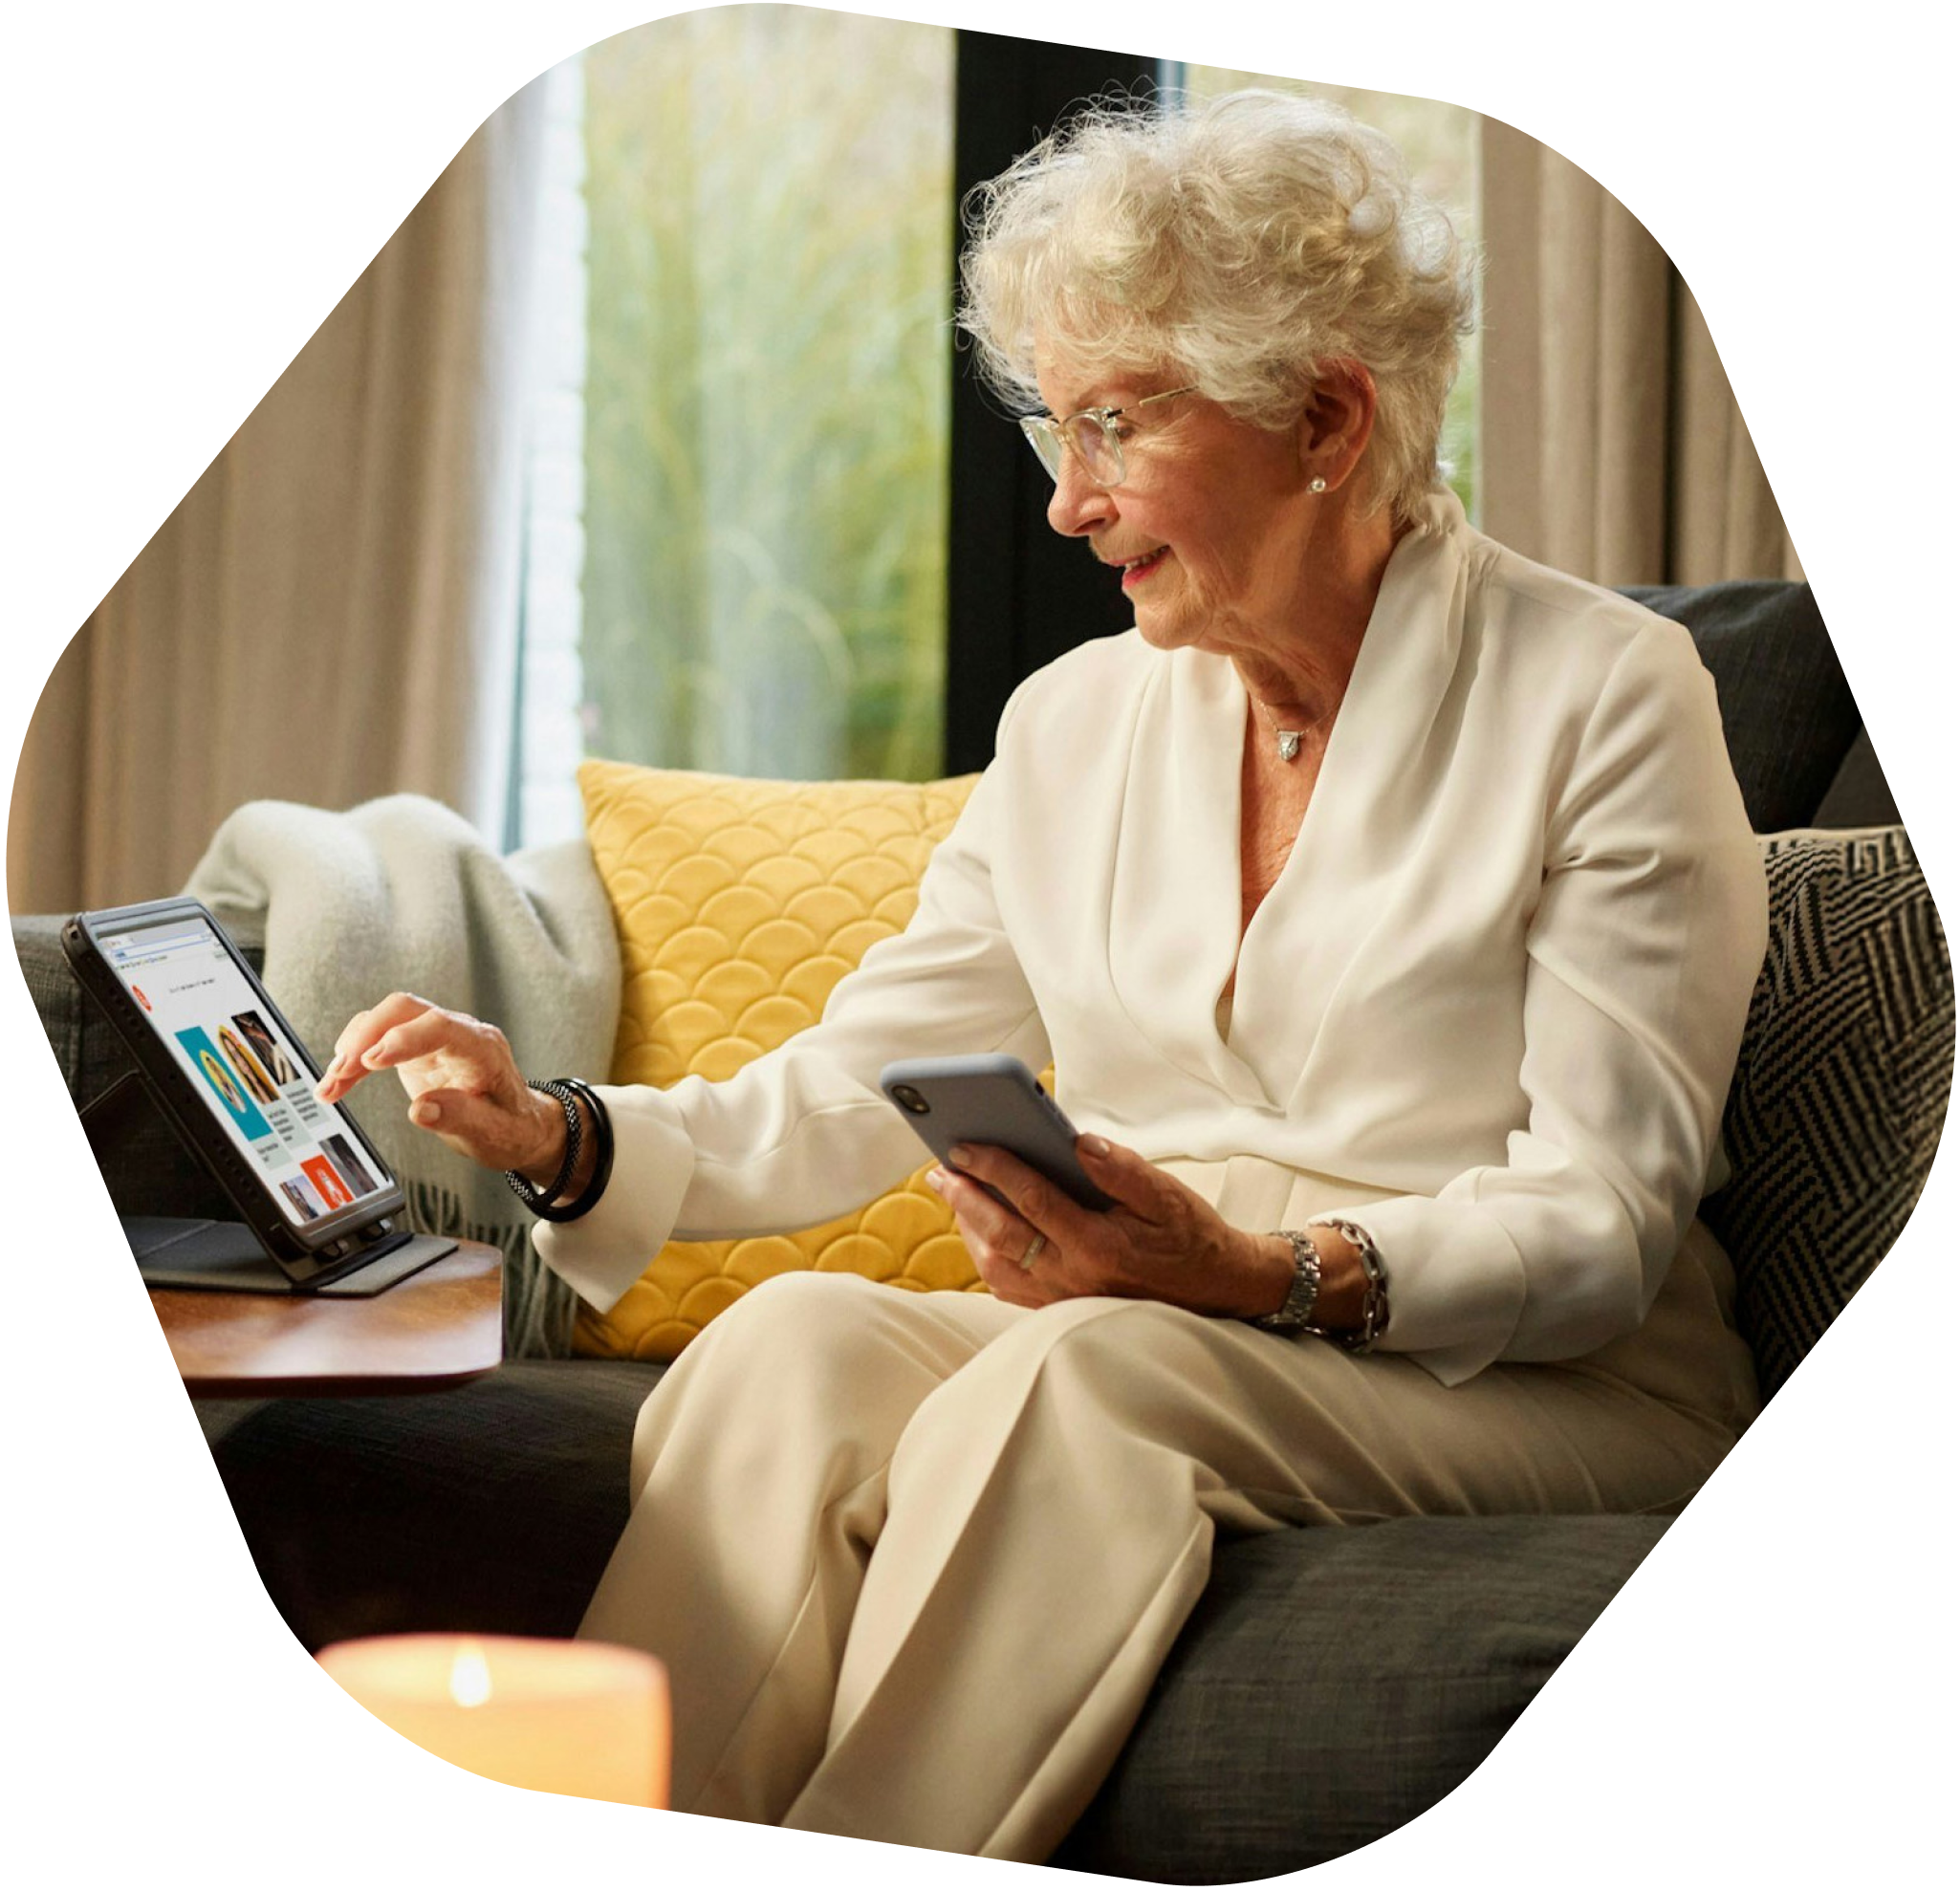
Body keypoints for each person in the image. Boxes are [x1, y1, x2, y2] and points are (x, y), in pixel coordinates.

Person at [317, 91, 1767, 1861]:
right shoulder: (1074, 720)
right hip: (1169, 1319)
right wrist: (560, 1131)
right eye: (1046, 428)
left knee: (1070, 1377)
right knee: (792, 1345)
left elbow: (1606, 1215)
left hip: (1543, 1381)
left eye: (1113, 425)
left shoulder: (1604, 696)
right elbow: (872, 1068)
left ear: (1322, 413)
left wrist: (1252, 1270)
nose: (1069, 502)